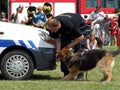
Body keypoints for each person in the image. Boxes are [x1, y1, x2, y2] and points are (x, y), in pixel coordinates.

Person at [46, 13, 88, 80]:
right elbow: (57, 39)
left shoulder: (69, 25)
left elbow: (80, 37)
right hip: (66, 30)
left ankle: (80, 74)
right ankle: (67, 74)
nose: (51, 31)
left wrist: (68, 47)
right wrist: (59, 51)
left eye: (53, 30)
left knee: (78, 51)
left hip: (79, 26)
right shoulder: (52, 27)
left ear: (58, 25)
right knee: (63, 53)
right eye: (50, 30)